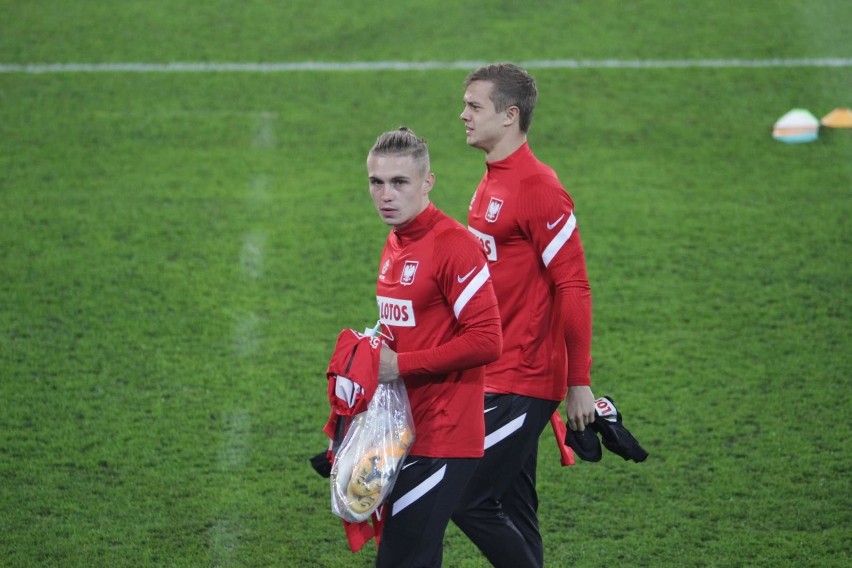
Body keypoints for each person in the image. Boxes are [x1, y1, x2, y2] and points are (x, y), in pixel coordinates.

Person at [451, 63, 597, 567]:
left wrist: (579, 382)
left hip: (525, 378)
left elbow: (574, 284)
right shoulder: (492, 180)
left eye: (475, 106)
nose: (463, 115)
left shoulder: (538, 187)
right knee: (514, 506)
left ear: (509, 116)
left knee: (465, 496)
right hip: (496, 370)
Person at [365, 127, 503, 567]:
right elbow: (404, 328)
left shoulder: (453, 247)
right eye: (377, 182)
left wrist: (398, 364)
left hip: (444, 437)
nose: (386, 195)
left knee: (401, 559)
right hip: (405, 431)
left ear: (427, 182)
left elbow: (487, 340)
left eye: (400, 182)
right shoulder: (397, 240)